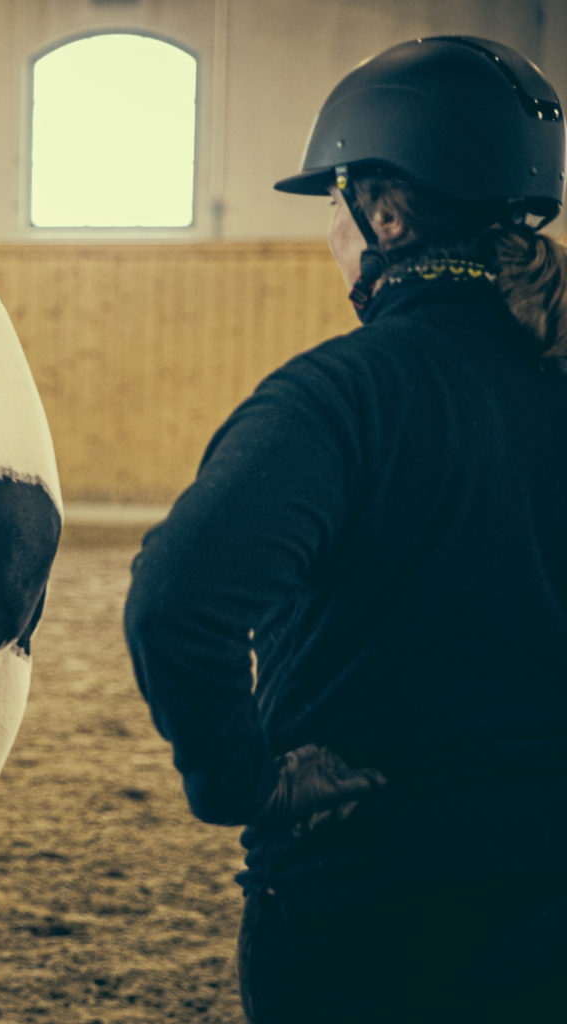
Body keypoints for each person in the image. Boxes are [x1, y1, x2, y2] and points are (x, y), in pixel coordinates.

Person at [124, 36, 566, 1024]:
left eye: (336, 198)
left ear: (388, 212)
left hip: (365, 897)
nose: (333, 225)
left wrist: (240, 781)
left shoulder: (335, 400)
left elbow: (176, 602)